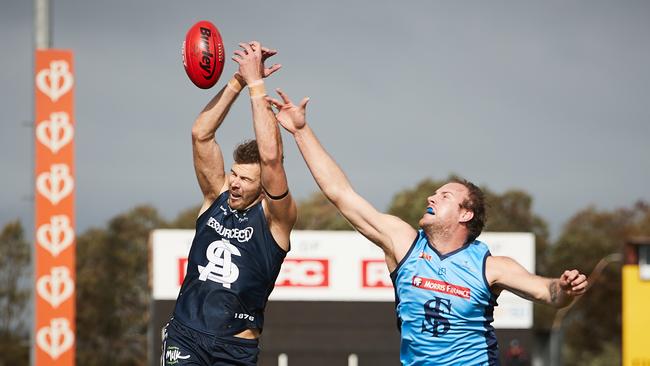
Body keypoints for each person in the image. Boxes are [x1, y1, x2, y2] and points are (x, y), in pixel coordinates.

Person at [265, 89, 588, 365]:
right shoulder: (404, 244)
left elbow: (548, 293)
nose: (432, 197)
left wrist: (565, 287)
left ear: (465, 215)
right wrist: (301, 132)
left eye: (445, 195)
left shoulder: (491, 267)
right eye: (435, 192)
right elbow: (340, 194)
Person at [161, 41, 297, 366]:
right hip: (186, 334)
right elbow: (201, 134)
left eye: (245, 180)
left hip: (234, 350)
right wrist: (238, 80)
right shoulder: (216, 195)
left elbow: (271, 159)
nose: (234, 182)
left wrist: (257, 86)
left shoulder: (275, 220)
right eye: (234, 175)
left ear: (264, 188)